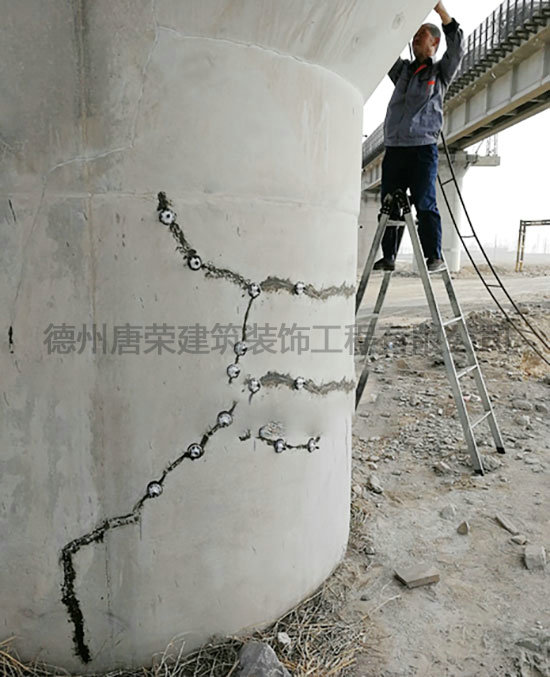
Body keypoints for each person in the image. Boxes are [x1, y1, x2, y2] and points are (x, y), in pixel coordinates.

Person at [374, 1, 464, 273]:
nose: (415, 38)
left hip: (422, 149)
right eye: (413, 35)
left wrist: (441, 11)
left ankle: (433, 256)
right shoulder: (402, 71)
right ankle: (388, 256)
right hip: (395, 148)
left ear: (434, 43)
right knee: (389, 205)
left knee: (425, 202)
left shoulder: (440, 73)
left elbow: (457, 49)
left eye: (420, 35)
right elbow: (384, 50)